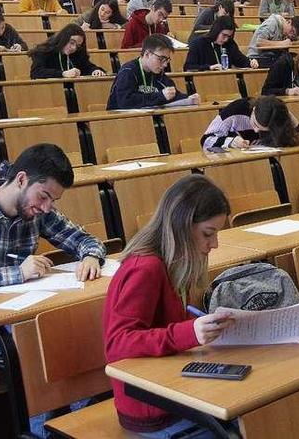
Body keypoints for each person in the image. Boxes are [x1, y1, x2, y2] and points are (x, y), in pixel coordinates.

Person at [0, 143, 106, 437]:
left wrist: (90, 256)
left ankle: (85, 424)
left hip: (18, 312)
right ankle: (44, 432)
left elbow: (87, 240)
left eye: (53, 199)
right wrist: (17, 273)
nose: (47, 206)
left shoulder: (38, 209)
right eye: (45, 196)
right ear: (22, 179)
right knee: (33, 342)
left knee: (70, 327)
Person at [104, 174, 234, 437]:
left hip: (176, 384)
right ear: (182, 226)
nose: (215, 244)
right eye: (208, 233)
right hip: (151, 405)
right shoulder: (146, 268)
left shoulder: (177, 260)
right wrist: (190, 333)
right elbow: (117, 344)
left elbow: (169, 318)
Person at [107, 34, 200, 110]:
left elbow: (172, 94)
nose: (165, 65)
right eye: (161, 59)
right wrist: (160, 95)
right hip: (120, 121)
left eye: (167, 60)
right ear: (147, 54)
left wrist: (189, 98)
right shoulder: (128, 71)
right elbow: (125, 102)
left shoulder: (159, 74)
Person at [201, 96, 299, 150]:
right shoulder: (234, 111)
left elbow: (297, 134)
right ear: (253, 110)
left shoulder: (277, 111)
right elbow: (205, 140)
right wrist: (230, 142)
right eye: (255, 124)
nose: (255, 130)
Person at [29, 24, 106, 79]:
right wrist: (63, 74)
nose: (73, 48)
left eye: (78, 46)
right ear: (63, 38)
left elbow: (89, 67)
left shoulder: (77, 54)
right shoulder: (44, 51)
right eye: (71, 42)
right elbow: (36, 73)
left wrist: (96, 71)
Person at [184, 16, 258, 71]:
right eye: (224, 35)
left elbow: (241, 60)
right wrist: (209, 67)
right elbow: (189, 67)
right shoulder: (198, 43)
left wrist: (251, 62)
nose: (226, 39)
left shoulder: (230, 43)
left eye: (229, 36)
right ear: (216, 31)